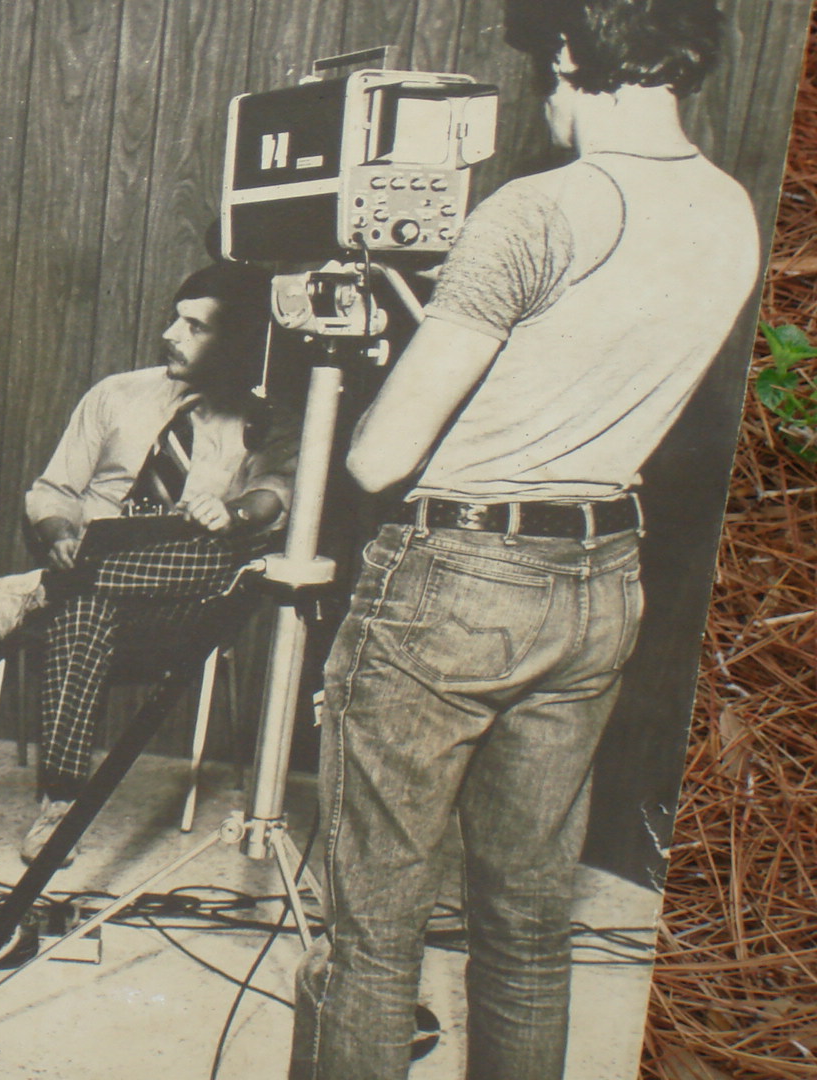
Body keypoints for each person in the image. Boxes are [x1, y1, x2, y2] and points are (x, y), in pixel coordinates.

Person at [290, 2, 759, 1077]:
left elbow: (378, 460)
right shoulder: (730, 207)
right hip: (601, 575)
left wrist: (392, 362)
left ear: (566, 49)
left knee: (374, 938)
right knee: (531, 927)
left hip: (455, 579)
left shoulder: (538, 208)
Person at [0, 261, 295, 864]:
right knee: (85, 611)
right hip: (100, 581)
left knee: (221, 555)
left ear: (239, 343)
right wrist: (57, 532)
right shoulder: (117, 394)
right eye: (175, 319)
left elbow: (278, 491)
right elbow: (53, 490)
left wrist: (235, 515)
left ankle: (48, 587)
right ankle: (62, 805)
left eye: (196, 328)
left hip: (187, 598)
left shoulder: (267, 416)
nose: (171, 336)